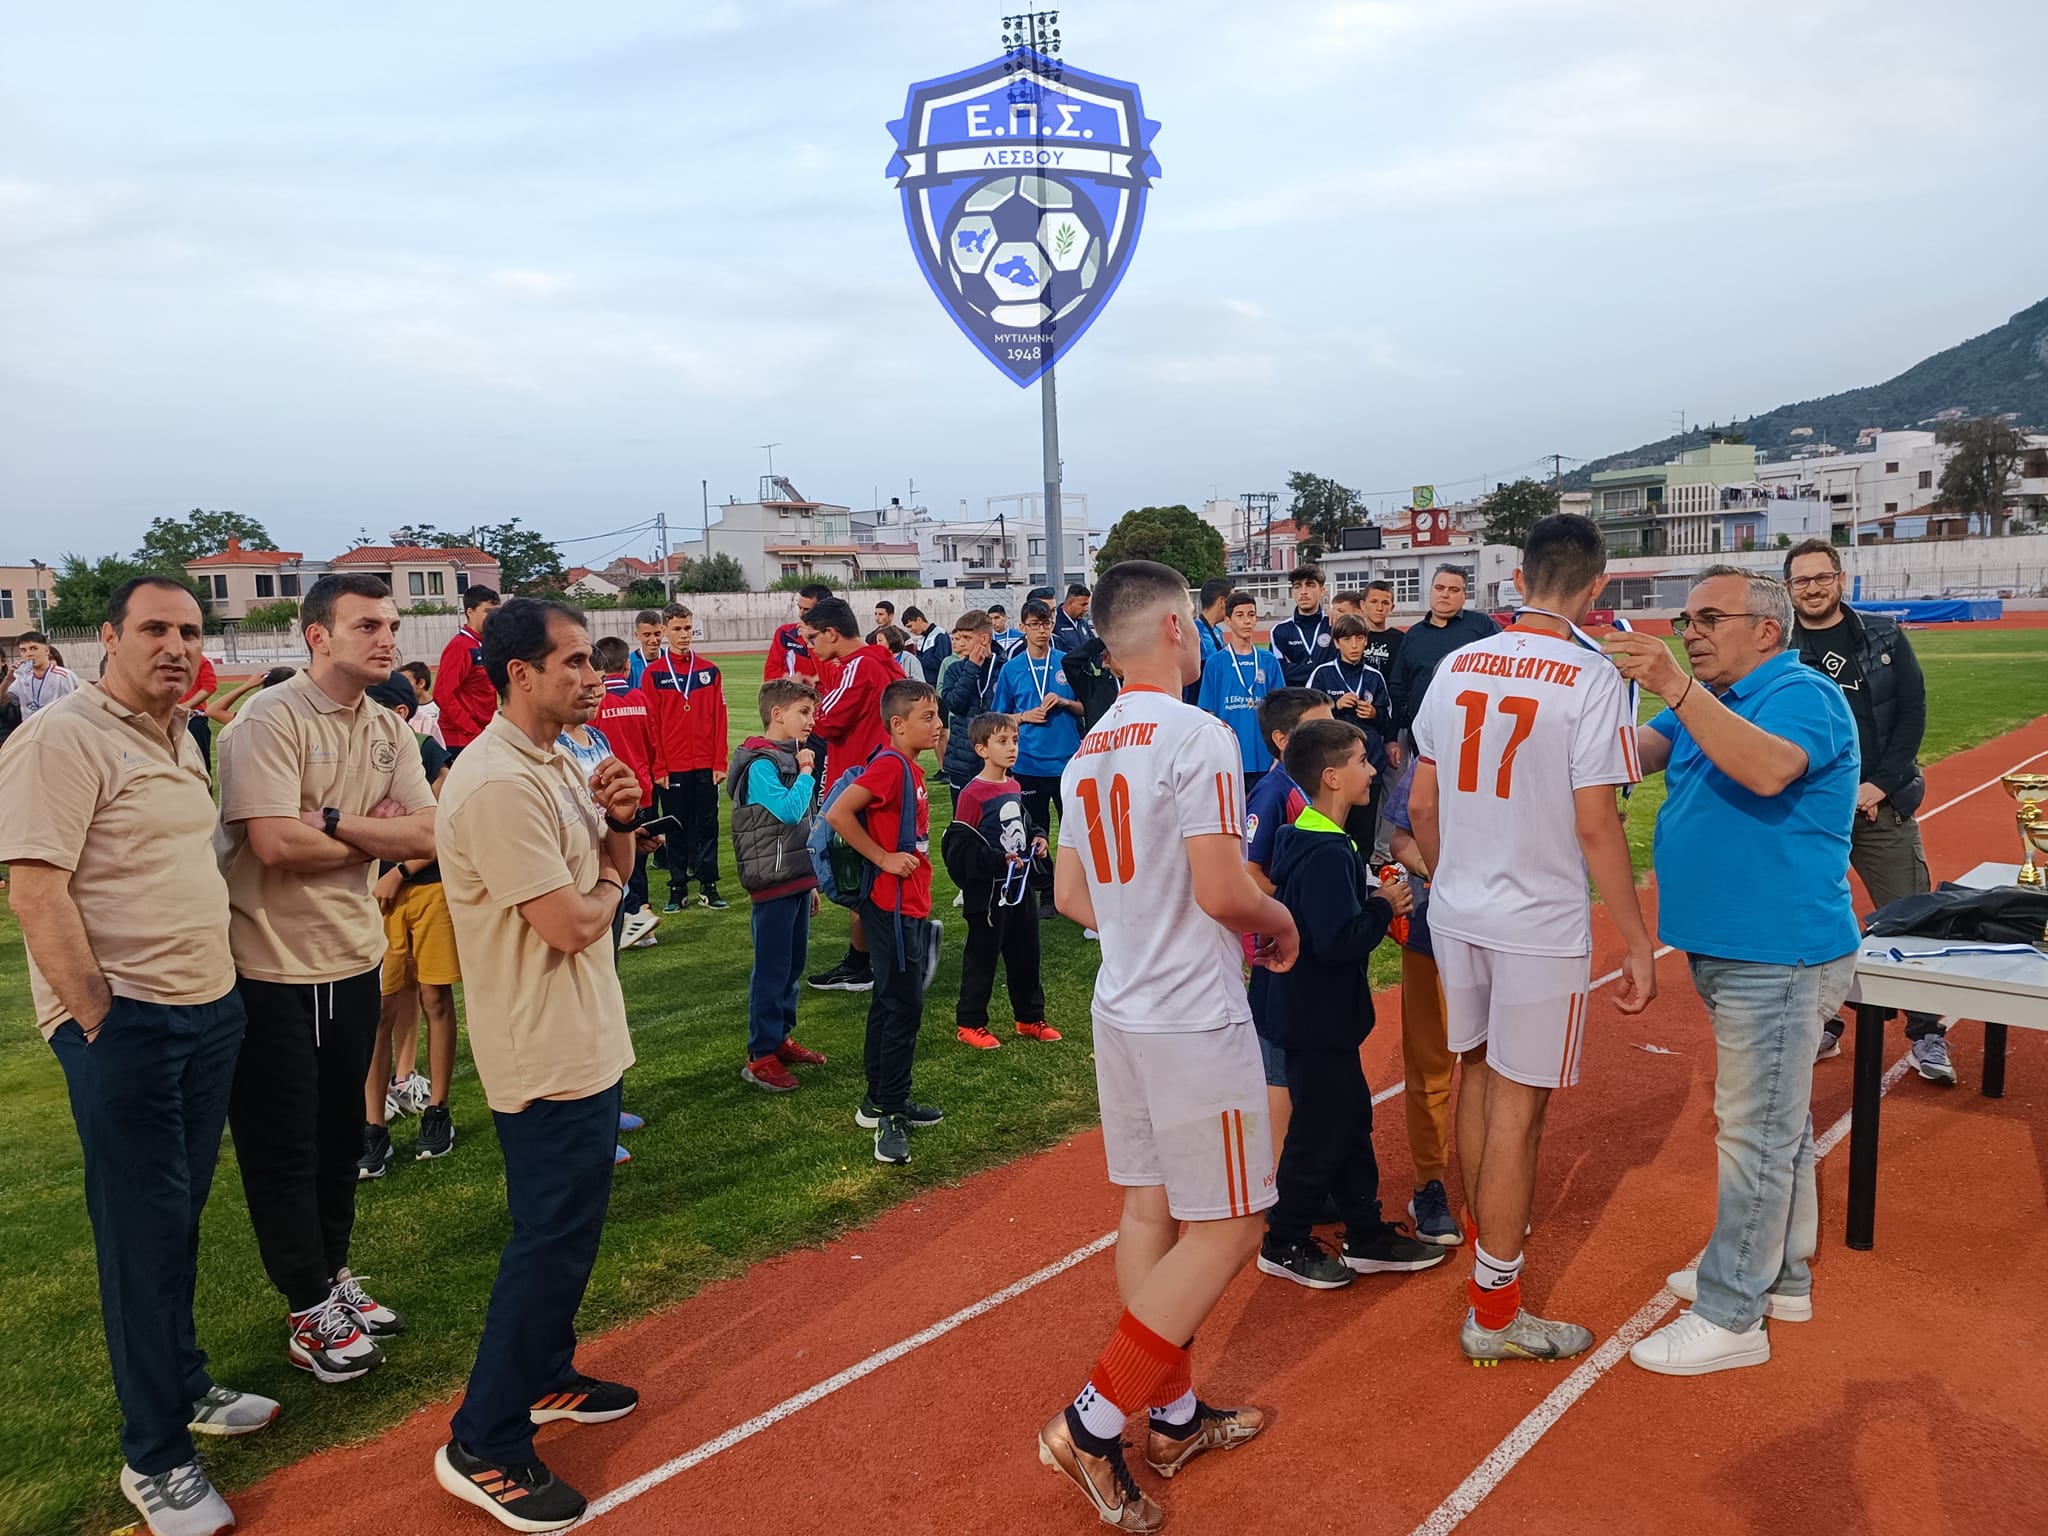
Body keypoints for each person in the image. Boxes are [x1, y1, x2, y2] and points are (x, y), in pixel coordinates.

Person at [0, 577, 278, 1536]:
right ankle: (154, 1457)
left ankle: (186, 1383)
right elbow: (35, 891)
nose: (176, 646)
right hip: (126, 1027)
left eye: (189, 631)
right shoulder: (62, 737)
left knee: (178, 1214)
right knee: (141, 1232)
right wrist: (96, 1018)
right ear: (109, 639)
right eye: (155, 628)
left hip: (208, 1010)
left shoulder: (180, 734)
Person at [1036, 560, 1299, 1533]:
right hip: (1192, 1015)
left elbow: (1071, 896)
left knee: (1149, 1207)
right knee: (1232, 1226)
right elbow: (1223, 890)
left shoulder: (1088, 749)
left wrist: (1141, 922)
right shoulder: (1199, 735)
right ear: (1177, 629)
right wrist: (1279, 922)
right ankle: (1093, 1422)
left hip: (1122, 1006)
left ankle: (1175, 1420)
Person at [1605, 568, 1860, 1377]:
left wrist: (1676, 686)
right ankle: (1781, 1275)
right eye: (1687, 620)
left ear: (1767, 630)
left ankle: (1732, 1311)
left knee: (1754, 1132)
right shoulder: (1712, 698)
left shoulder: (1800, 693)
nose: (1691, 633)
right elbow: (1633, 754)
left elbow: (1768, 770)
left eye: (1710, 618)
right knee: (1773, 1124)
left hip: (1777, 949)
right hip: (1734, 948)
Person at [1410, 516, 1652, 1366]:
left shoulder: (1456, 663)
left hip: (1459, 908)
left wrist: (1451, 877)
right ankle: (1496, 1307)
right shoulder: (1592, 675)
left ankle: (1490, 1247)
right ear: (1598, 585)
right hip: (1537, 920)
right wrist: (1636, 941)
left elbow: (1423, 804)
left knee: (1476, 1075)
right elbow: (1597, 823)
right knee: (1520, 1105)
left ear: (1517, 580)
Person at [431, 599, 641, 1531]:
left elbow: (604, 871)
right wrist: (615, 873)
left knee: (572, 1233)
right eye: (575, 662)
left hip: (584, 1035)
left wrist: (620, 823)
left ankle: (547, 1375)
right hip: (541, 1046)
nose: (594, 677)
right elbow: (569, 922)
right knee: (547, 1240)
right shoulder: (496, 784)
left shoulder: (557, 761)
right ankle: (484, 1440)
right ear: (519, 673)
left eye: (593, 661)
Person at [215, 572, 438, 1381]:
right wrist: (376, 836)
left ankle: (334, 1274)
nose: (388, 639)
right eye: (368, 625)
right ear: (318, 635)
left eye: (392, 624)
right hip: (273, 964)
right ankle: (307, 1305)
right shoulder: (268, 719)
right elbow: (274, 844)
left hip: (352, 955)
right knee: (286, 1141)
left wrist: (337, 823)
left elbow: (431, 835)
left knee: (343, 1134)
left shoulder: (386, 727)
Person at [1258, 720, 1440, 1289]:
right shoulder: (1325, 852)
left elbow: (1319, 920)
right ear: (1332, 777)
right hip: (1316, 1017)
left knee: (1351, 1120)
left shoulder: (1311, 838)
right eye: (1362, 760)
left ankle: (1364, 1232)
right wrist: (1383, 906)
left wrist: (1366, 899)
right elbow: (1337, 941)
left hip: (1319, 1016)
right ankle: (1283, 1241)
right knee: (1320, 1130)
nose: (1372, 768)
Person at [1783, 539, 1949, 1081]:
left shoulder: (1883, 635)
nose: (1812, 588)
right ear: (1788, 588)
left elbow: (1912, 712)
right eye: (1801, 580)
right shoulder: (1777, 643)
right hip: (1809, 811)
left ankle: (1927, 1034)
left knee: (1911, 915)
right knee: (1811, 924)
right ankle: (1824, 1023)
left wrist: (1879, 785)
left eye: (1821, 577)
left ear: (1840, 578)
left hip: (1880, 804)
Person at [822, 677, 945, 1165]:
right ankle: (891, 1111)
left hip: (904, 903)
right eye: (927, 718)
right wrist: (883, 858)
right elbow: (839, 814)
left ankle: (879, 1099)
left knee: (890, 1000)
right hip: (891, 905)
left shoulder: (909, 767)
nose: (937, 725)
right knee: (903, 1007)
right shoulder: (892, 766)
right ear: (897, 724)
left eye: (937, 716)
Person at [357, 672, 457, 1178]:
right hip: (373, 898)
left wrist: (400, 871)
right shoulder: (353, 753)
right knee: (377, 1010)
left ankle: (438, 1109)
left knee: (435, 998)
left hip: (427, 889)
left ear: (397, 713)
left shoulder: (426, 751)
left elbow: (445, 828)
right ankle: (373, 1124)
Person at [1243, 688, 1333, 1161]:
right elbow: (1250, 874)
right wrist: (1300, 908)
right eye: (1320, 726)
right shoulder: (1273, 792)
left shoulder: (1306, 787)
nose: (1332, 733)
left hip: (1305, 947)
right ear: (1282, 739)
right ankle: (1278, 1179)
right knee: (1279, 1070)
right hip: (1280, 953)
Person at [729, 677, 830, 1093]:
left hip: (794, 878)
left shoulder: (786, 757)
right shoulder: (760, 764)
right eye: (803, 712)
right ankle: (760, 1055)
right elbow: (789, 812)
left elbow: (804, 825)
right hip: (771, 881)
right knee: (772, 970)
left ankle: (779, 1037)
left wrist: (810, 881)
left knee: (792, 966)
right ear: (777, 714)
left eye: (812, 712)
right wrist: (807, 772)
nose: (811, 720)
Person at [1379, 757, 1461, 1246]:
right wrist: (1442, 873)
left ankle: (1493, 1182)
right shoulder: (1438, 748)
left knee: (1500, 1068)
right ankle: (1429, 1184)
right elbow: (1401, 839)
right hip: (1434, 932)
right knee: (1431, 1070)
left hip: (1506, 937)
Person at [804, 596, 901, 991]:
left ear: (832, 633)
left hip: (859, 780)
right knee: (872, 873)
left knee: (855, 872)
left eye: (812, 637)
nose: (810, 646)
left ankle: (867, 963)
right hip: (882, 773)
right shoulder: (882, 660)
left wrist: (811, 702)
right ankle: (875, 958)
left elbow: (825, 720)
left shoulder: (859, 664)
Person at [944, 712, 1056, 1051]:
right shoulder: (972, 794)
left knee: (1027, 955)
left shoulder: (1013, 785)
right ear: (981, 749)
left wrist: (1038, 837)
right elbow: (961, 847)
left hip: (1020, 889)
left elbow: (1025, 823)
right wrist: (996, 860)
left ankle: (1029, 1017)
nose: (1011, 748)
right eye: (1002, 741)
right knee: (982, 959)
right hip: (989, 895)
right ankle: (970, 1023)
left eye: (1015, 741)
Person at [992, 598, 1085, 919]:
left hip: (1067, 762)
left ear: (1052, 624)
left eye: (1045, 624)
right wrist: (1024, 716)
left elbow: (1085, 707)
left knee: (1075, 828)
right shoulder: (1011, 669)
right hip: (1028, 763)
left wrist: (1065, 702)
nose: (1041, 630)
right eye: (1034, 625)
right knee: (1036, 831)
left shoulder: (1067, 663)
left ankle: (1080, 888)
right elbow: (998, 717)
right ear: (1023, 628)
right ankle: (1046, 890)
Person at [643, 603, 730, 912]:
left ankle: (709, 885)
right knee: (675, 827)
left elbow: (720, 718)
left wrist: (719, 761)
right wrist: (659, 767)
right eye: (677, 629)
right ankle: (677, 887)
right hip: (673, 767)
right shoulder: (654, 674)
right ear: (665, 631)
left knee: (708, 826)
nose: (684, 635)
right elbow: (652, 724)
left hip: (706, 764)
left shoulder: (709, 671)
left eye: (688, 628)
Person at [591, 636, 663, 949]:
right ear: (627, 665)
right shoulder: (640, 698)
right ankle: (642, 918)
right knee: (638, 858)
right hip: (641, 788)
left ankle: (629, 918)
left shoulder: (597, 704)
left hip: (609, 793)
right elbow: (653, 742)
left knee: (615, 859)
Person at [1307, 612, 1395, 847]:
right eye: (1347, 640)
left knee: (1365, 832)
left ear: (1366, 641)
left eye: (1359, 639)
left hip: (1369, 765)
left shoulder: (1374, 677)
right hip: (1334, 767)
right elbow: (1308, 719)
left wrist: (1374, 713)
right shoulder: (1322, 674)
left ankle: (1362, 866)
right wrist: (1335, 707)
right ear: (1336, 643)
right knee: (1334, 830)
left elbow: (1387, 721)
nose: (1354, 645)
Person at [1387, 567, 1496, 744]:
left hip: (1472, 735)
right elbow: (1398, 685)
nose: (1445, 595)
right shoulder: (1414, 634)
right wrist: (1405, 720)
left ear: (1464, 596)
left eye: (1453, 590)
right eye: (1439, 588)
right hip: (1423, 737)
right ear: (1431, 591)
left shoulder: (1483, 627)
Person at [1197, 589, 1286, 787]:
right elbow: (1208, 714)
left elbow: (1280, 711)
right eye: (1240, 615)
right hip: (1229, 757)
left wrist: (1279, 753)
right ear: (1228, 621)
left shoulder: (1268, 660)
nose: (1247, 621)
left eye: (1251, 615)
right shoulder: (1215, 663)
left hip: (1265, 757)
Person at [939, 610, 1003, 806]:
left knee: (998, 815)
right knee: (963, 817)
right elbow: (955, 705)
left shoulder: (1004, 668)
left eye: (967, 638)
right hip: (962, 758)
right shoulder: (955, 670)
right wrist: (972, 668)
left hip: (996, 756)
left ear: (984, 639)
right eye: (959, 637)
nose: (961, 643)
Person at [433, 584, 502, 761]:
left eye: (495, 612)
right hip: (461, 739)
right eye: (487, 611)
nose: (492, 617)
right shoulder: (460, 647)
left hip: (482, 734)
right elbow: (443, 694)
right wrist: (472, 729)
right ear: (470, 612)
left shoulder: (484, 645)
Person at [1269, 565, 1332, 687]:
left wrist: (1295, 669)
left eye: (1310, 585)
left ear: (1322, 590)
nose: (1303, 592)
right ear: (1292, 592)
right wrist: (1321, 668)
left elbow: (1340, 668)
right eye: (1297, 586)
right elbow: (1279, 670)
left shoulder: (1333, 625)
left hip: (1328, 697)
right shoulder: (1279, 631)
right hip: (1294, 697)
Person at [7, 630, 78, 721]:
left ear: (47, 651)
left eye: (34, 648)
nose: (29, 654)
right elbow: (3, 702)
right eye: (23, 650)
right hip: (31, 729)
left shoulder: (64, 676)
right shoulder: (22, 678)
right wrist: (8, 678)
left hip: (57, 728)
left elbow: (79, 705)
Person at [1185, 575, 1235, 705]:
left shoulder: (1217, 631)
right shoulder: (1195, 632)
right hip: (1199, 704)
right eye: (1232, 600)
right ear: (1221, 602)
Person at [765, 586, 829, 683]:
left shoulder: (833, 637)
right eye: (800, 608)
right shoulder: (785, 633)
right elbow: (770, 675)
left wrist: (810, 642)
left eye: (807, 609)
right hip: (790, 692)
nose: (801, 614)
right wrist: (797, 686)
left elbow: (833, 676)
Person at [1360, 580, 1404, 691]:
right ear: (1363, 605)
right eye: (1374, 602)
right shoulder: (1353, 636)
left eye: (1385, 603)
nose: (1379, 608)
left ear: (1392, 608)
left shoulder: (1401, 639)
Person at [902, 606, 952, 685]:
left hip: (937, 684)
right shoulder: (921, 640)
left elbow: (941, 663)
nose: (910, 630)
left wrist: (916, 659)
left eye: (910, 626)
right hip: (924, 684)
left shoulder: (940, 634)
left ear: (919, 620)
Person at [400, 660, 444, 746]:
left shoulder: (440, 708)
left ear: (421, 683)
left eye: (405, 682)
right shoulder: (403, 710)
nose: (401, 686)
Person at [627, 609, 666, 689]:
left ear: (662, 632)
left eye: (657, 634)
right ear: (637, 635)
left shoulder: (670, 660)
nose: (653, 640)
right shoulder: (629, 664)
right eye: (647, 635)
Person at [1053, 582, 1094, 651]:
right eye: (1083, 605)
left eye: (1087, 605)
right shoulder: (1055, 622)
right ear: (1070, 603)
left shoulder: (1083, 623)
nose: (1086, 609)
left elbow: (1094, 645)